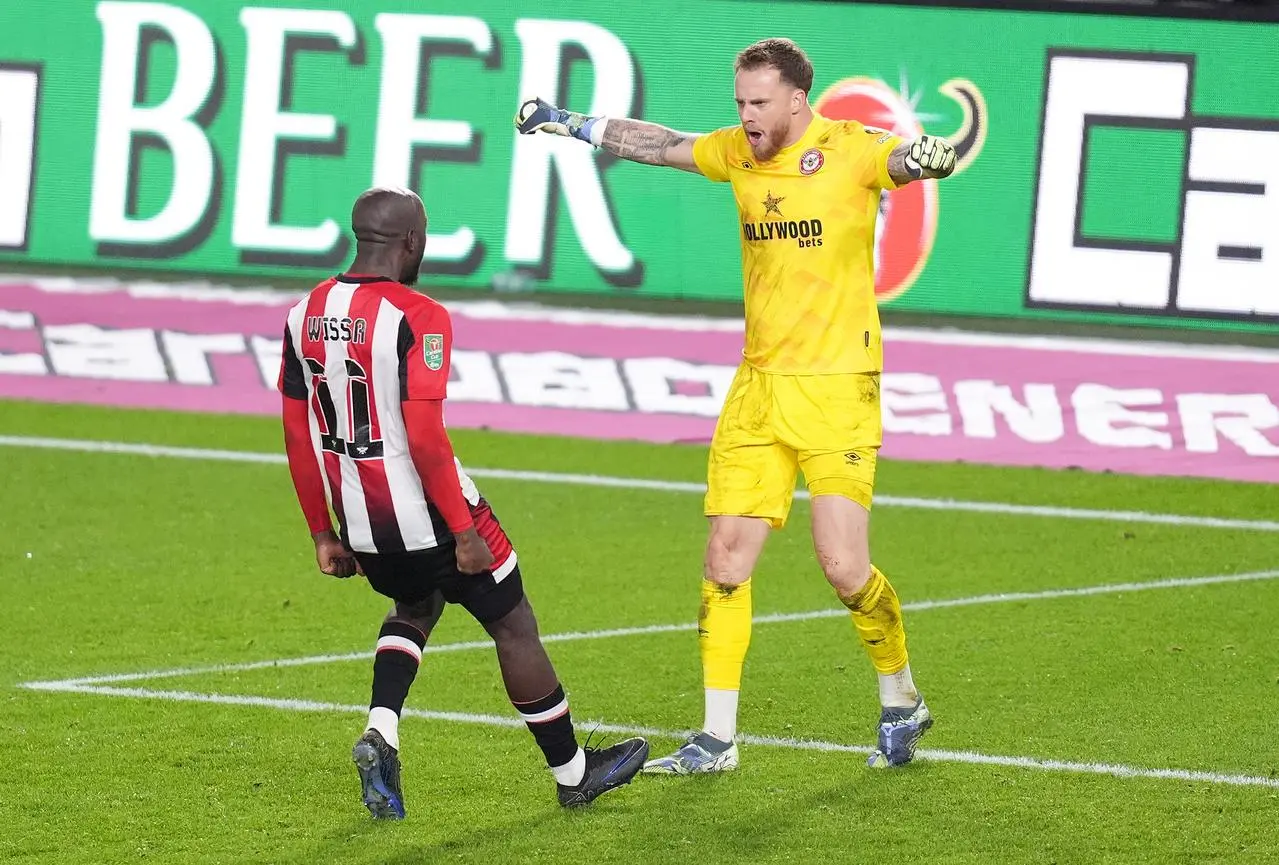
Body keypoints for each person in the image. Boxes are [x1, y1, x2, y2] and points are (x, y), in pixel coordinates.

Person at [514, 37, 957, 774]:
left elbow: (900, 160)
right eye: (739, 103)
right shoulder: (738, 154)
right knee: (724, 560)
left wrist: (926, 158)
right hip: (757, 389)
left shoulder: (846, 149)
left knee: (844, 567)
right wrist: (570, 121)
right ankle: (716, 739)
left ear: (795, 99)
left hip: (838, 386)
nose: (747, 116)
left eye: (759, 103)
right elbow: (663, 145)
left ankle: (900, 699)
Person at [276, 186, 649, 816]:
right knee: (512, 622)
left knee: (414, 604)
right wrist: (463, 528)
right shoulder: (420, 315)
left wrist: (321, 531)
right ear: (412, 243)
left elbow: (295, 431)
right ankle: (573, 774)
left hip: (362, 522)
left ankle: (381, 733)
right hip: (431, 515)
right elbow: (424, 435)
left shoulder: (301, 314)